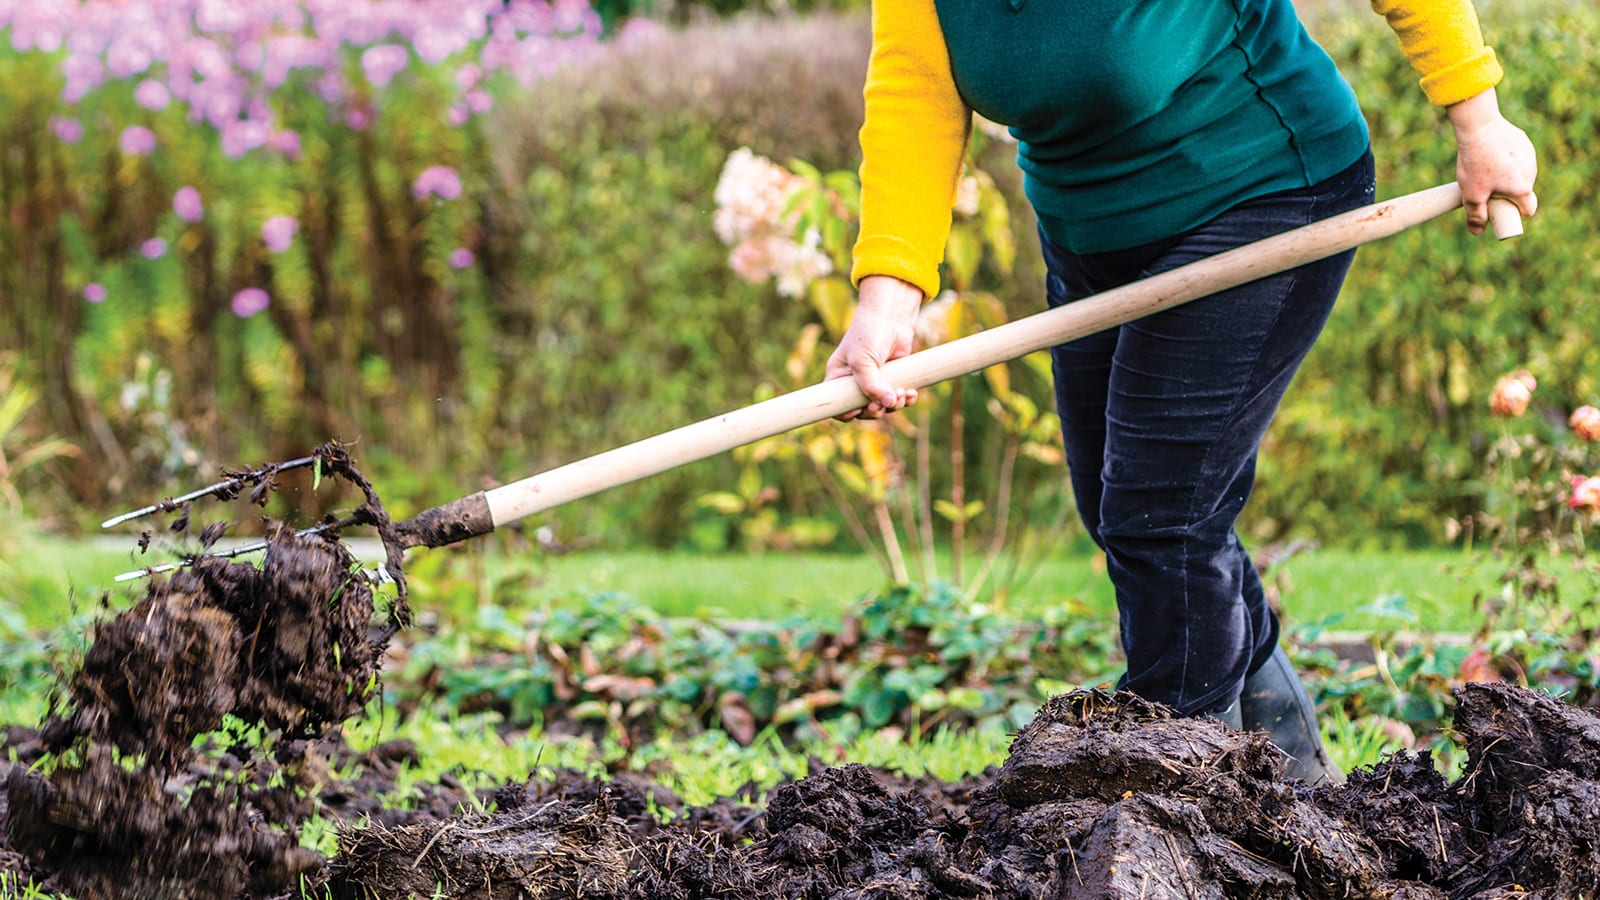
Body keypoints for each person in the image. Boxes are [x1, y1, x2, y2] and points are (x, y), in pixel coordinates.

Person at [826, 0, 1538, 783]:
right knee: (1127, 516)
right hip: (1091, 232)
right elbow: (914, 93)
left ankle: (1183, 799)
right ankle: (1295, 781)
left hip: (1260, 189)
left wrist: (1479, 119)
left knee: (1161, 520)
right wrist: (887, 300)